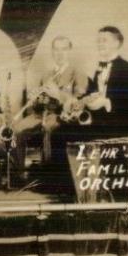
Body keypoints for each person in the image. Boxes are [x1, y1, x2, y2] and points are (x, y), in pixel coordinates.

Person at [13, 36, 89, 168]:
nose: (59, 53)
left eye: (64, 49)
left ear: (69, 51)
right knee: (17, 128)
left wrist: (58, 94)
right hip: (41, 114)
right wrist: (35, 100)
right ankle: (20, 172)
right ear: (52, 52)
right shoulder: (47, 74)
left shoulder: (78, 73)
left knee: (48, 128)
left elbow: (78, 102)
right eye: (56, 49)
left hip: (61, 115)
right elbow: (41, 103)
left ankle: (47, 173)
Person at [69, 26, 128, 139]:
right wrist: (81, 100)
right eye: (98, 41)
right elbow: (94, 94)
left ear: (116, 43)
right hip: (99, 122)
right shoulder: (98, 70)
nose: (100, 44)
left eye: (104, 40)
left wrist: (106, 102)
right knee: (61, 132)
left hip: (118, 126)